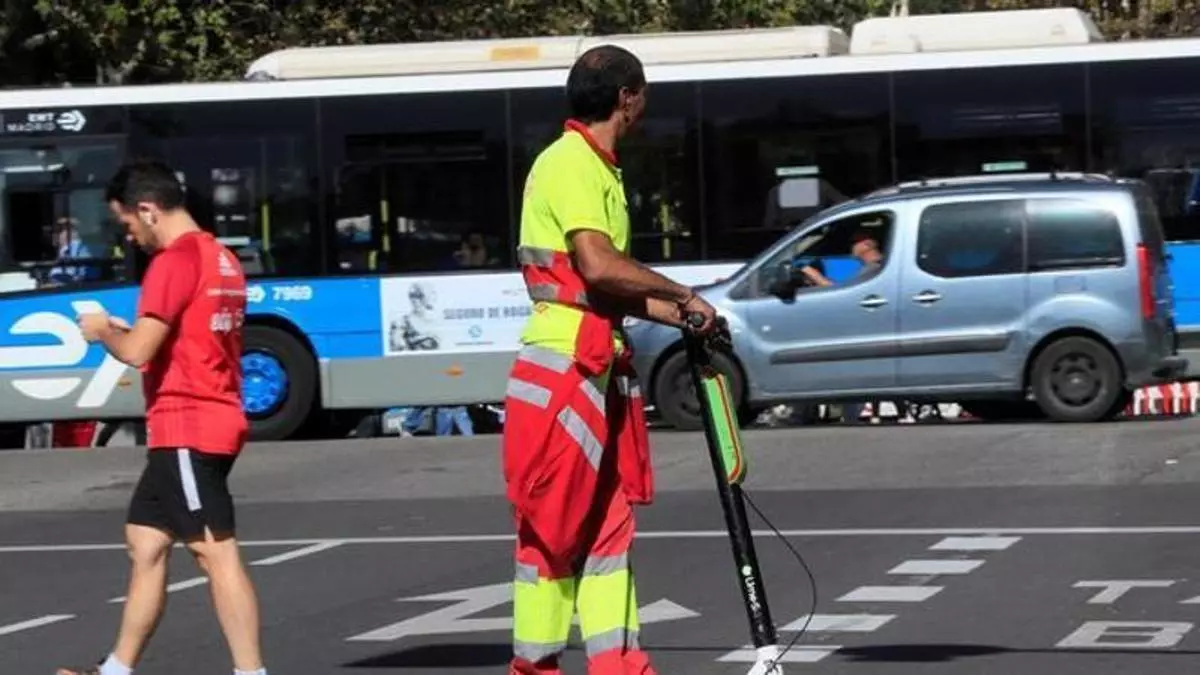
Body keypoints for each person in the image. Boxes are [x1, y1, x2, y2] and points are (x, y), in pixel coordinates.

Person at [501, 44, 718, 675]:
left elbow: (600, 289)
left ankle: (620, 666)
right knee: (553, 531)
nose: (645, 105)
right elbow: (597, 264)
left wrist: (686, 316)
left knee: (604, 529)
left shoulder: (599, 166)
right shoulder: (570, 161)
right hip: (566, 369)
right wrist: (681, 293)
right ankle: (536, 668)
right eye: (643, 93)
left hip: (593, 359)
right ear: (627, 97)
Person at [58, 160, 267, 675]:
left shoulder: (173, 263)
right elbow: (188, 340)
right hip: (208, 416)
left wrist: (102, 330)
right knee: (145, 542)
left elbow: (136, 352)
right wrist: (134, 333)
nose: (129, 237)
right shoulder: (220, 258)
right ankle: (116, 669)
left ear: (148, 210)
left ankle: (252, 672)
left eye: (128, 224)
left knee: (214, 552)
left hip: (187, 425)